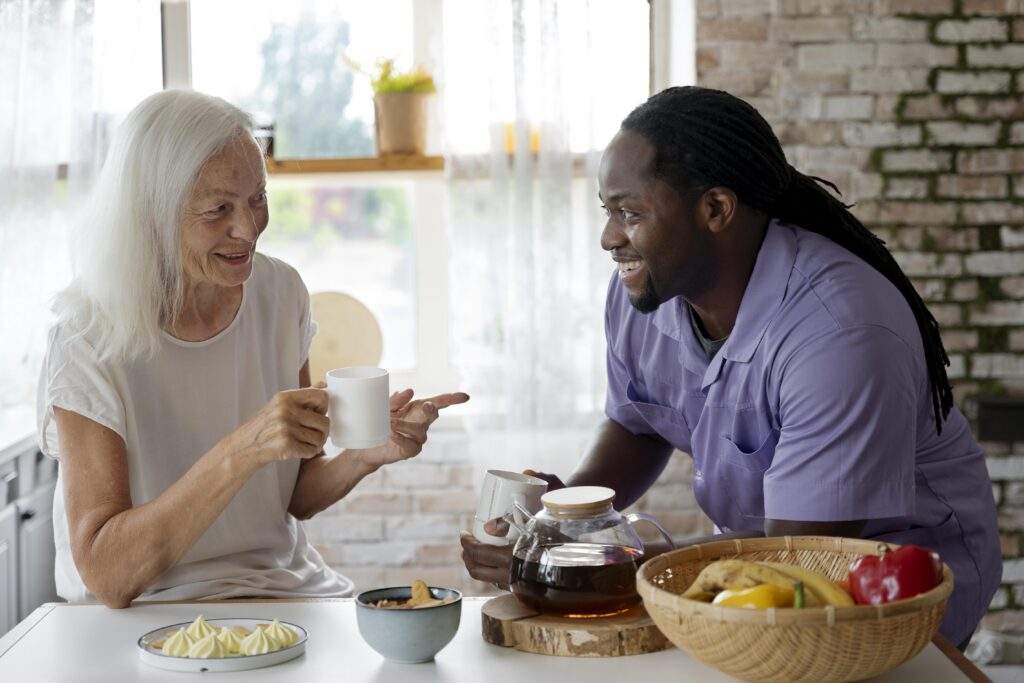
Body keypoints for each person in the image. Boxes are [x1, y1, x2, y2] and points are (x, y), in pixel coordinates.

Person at [461, 86, 1000, 648]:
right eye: (607, 211)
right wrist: (563, 521)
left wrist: (589, 560)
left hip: (896, 583)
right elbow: (638, 424)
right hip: (758, 572)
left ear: (716, 209)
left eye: (630, 213)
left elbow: (800, 555)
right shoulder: (645, 290)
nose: (609, 238)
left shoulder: (840, 332)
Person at [37, 90, 468, 607]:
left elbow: (294, 496)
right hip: (151, 612)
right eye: (218, 209)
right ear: (152, 212)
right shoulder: (87, 334)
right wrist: (246, 446)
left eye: (257, 199)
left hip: (282, 594)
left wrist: (363, 456)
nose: (248, 229)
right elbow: (107, 575)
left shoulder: (281, 293)